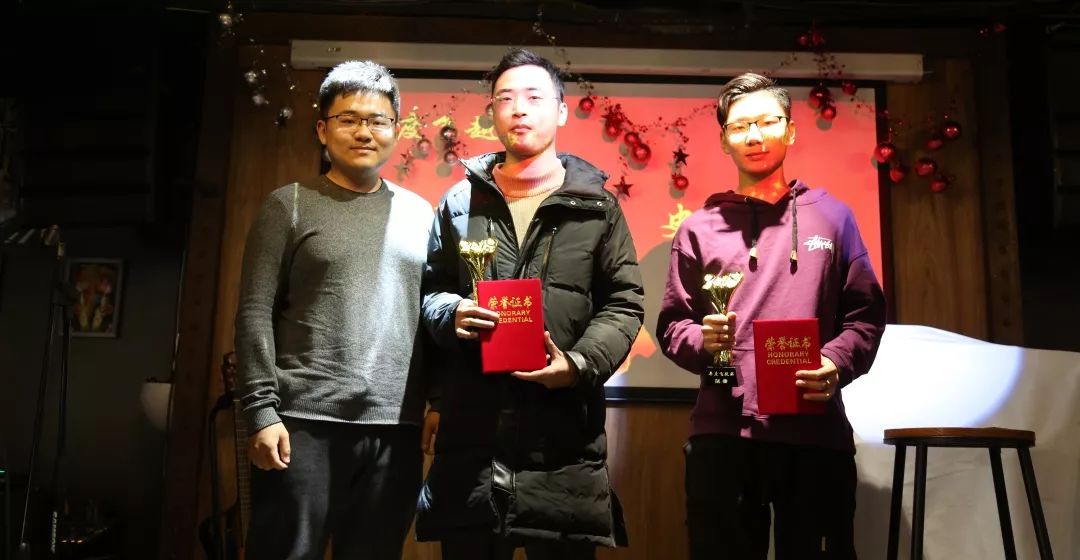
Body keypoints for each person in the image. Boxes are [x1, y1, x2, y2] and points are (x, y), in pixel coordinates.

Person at [415, 48, 644, 560]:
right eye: (505, 99)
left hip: (563, 449)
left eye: (534, 97)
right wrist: (451, 313)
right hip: (472, 448)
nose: (519, 109)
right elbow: (430, 291)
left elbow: (625, 301)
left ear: (561, 111)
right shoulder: (458, 203)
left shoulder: (598, 208)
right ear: (491, 113)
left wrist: (578, 364)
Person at [656, 72, 886, 559]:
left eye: (767, 122)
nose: (754, 135)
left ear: (790, 129)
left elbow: (865, 317)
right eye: (740, 126)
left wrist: (836, 362)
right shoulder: (698, 229)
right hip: (724, 432)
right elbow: (674, 326)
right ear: (724, 140)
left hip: (815, 432)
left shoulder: (833, 217)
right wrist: (703, 341)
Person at [234, 60, 433, 560]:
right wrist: (260, 412)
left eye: (378, 120)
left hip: (396, 427)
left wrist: (437, 404)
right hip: (302, 422)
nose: (364, 132)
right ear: (323, 130)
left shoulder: (421, 214)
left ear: (396, 130)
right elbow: (254, 311)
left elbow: (430, 317)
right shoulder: (289, 205)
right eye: (349, 119)